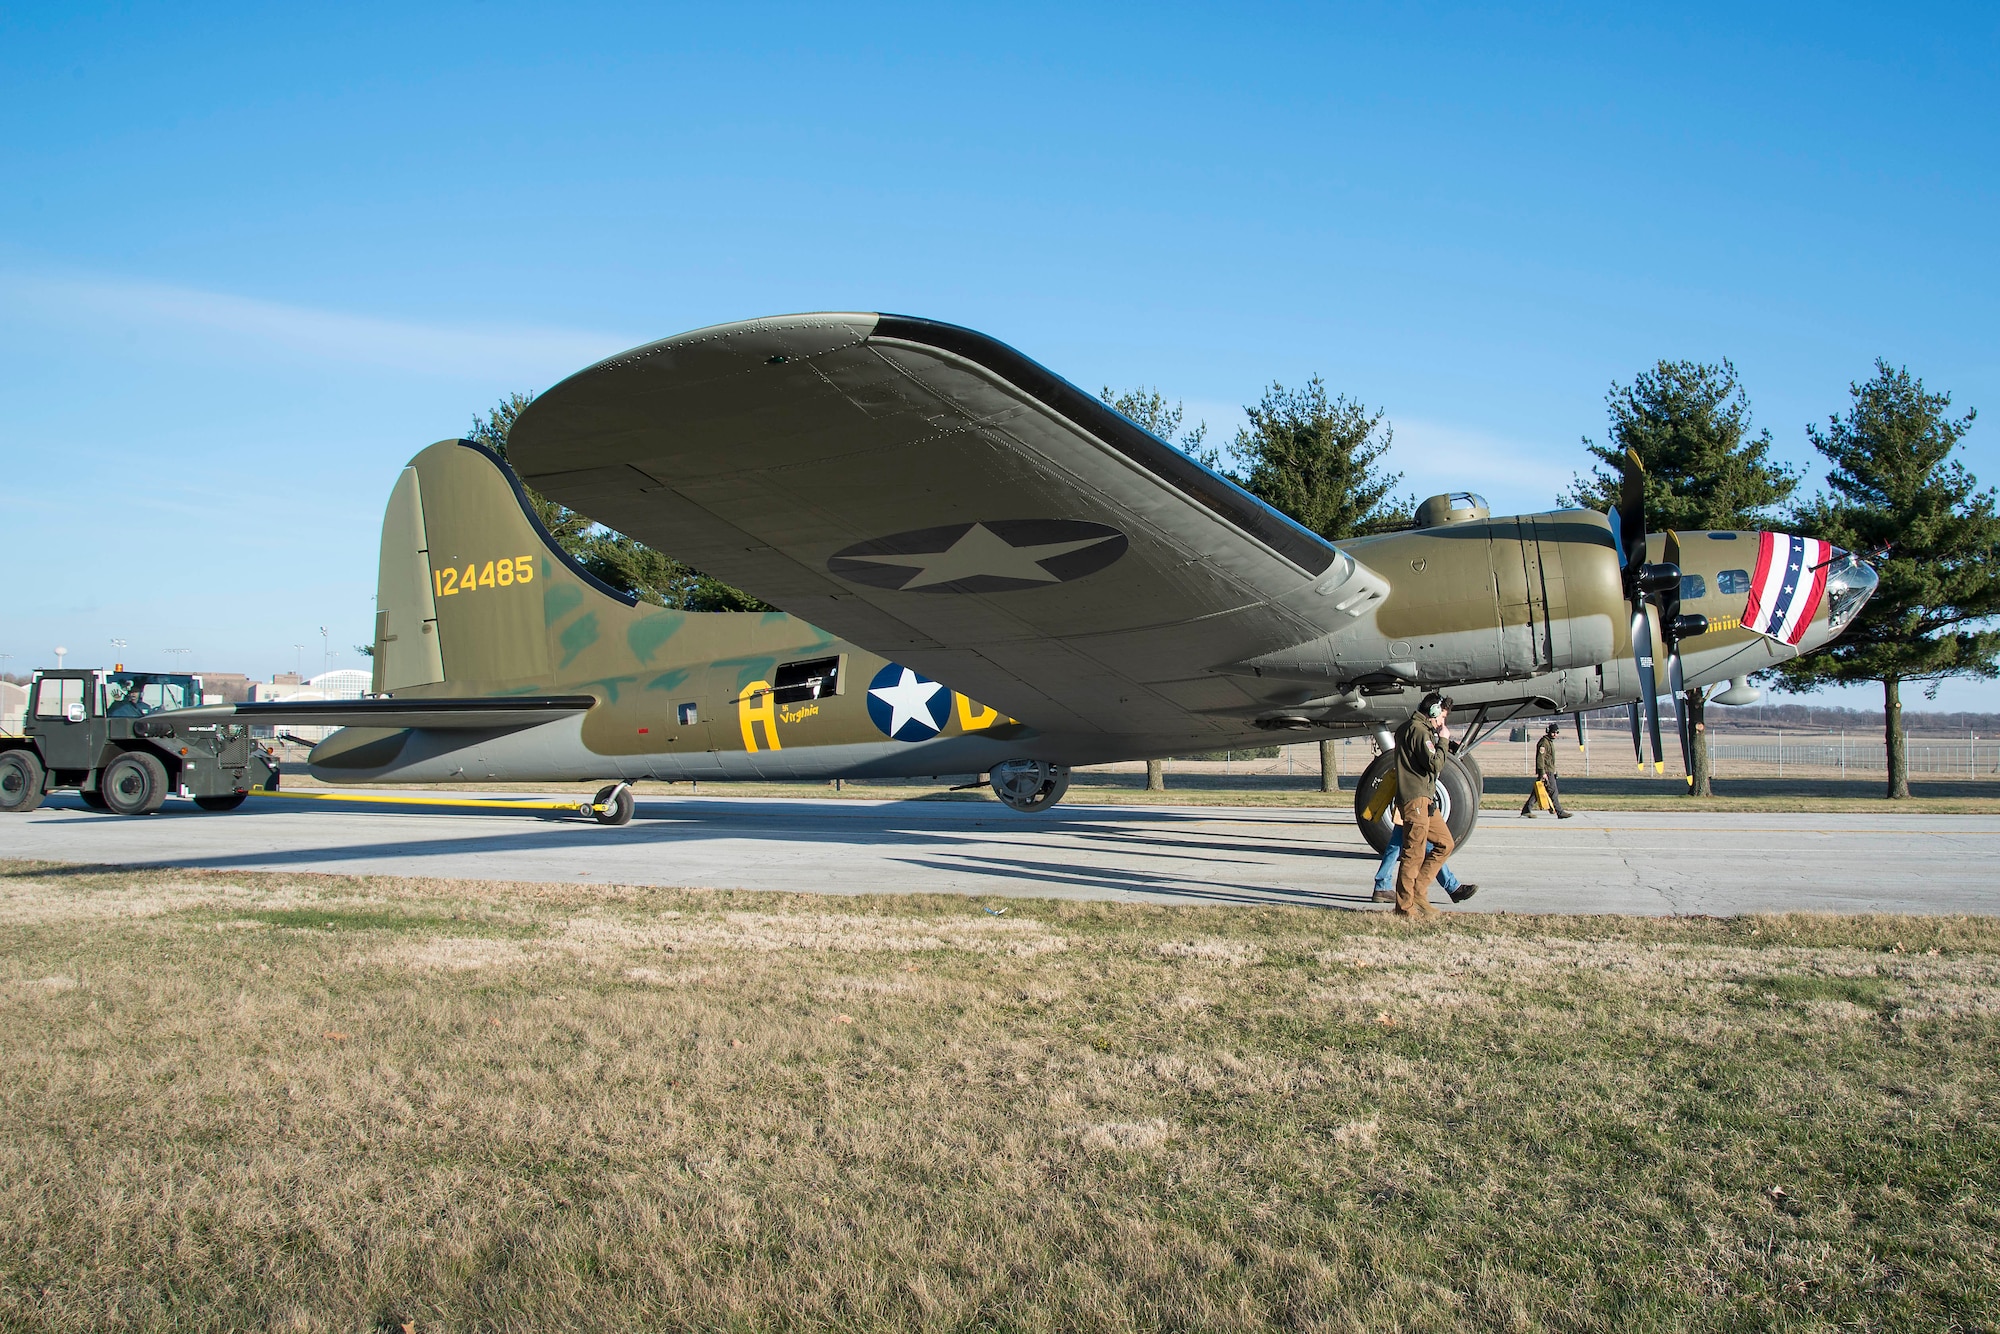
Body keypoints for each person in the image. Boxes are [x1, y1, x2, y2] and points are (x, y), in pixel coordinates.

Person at [1392, 691, 1455, 919]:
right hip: (1416, 799)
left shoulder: (1412, 729)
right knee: (1413, 854)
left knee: (1445, 843)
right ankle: (1405, 908)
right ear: (1434, 712)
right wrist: (1444, 740)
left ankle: (1418, 891)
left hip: (1425, 799)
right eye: (1442, 717)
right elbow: (1434, 764)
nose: (1442, 722)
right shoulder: (1419, 731)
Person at [1372, 805, 1477, 904]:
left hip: (1410, 802)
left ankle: (1382, 885)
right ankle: (1451, 887)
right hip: (1413, 802)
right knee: (1429, 847)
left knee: (1398, 845)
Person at [1521, 721, 1574, 819]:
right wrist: (1542, 773)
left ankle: (1526, 810)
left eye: (1557, 732)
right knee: (1553, 791)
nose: (1555, 734)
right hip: (1546, 771)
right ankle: (1559, 812)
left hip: (1549, 771)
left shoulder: (1549, 742)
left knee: (1537, 792)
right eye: (1553, 732)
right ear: (1548, 732)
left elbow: (1550, 759)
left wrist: (1554, 771)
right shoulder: (1544, 742)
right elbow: (1540, 758)